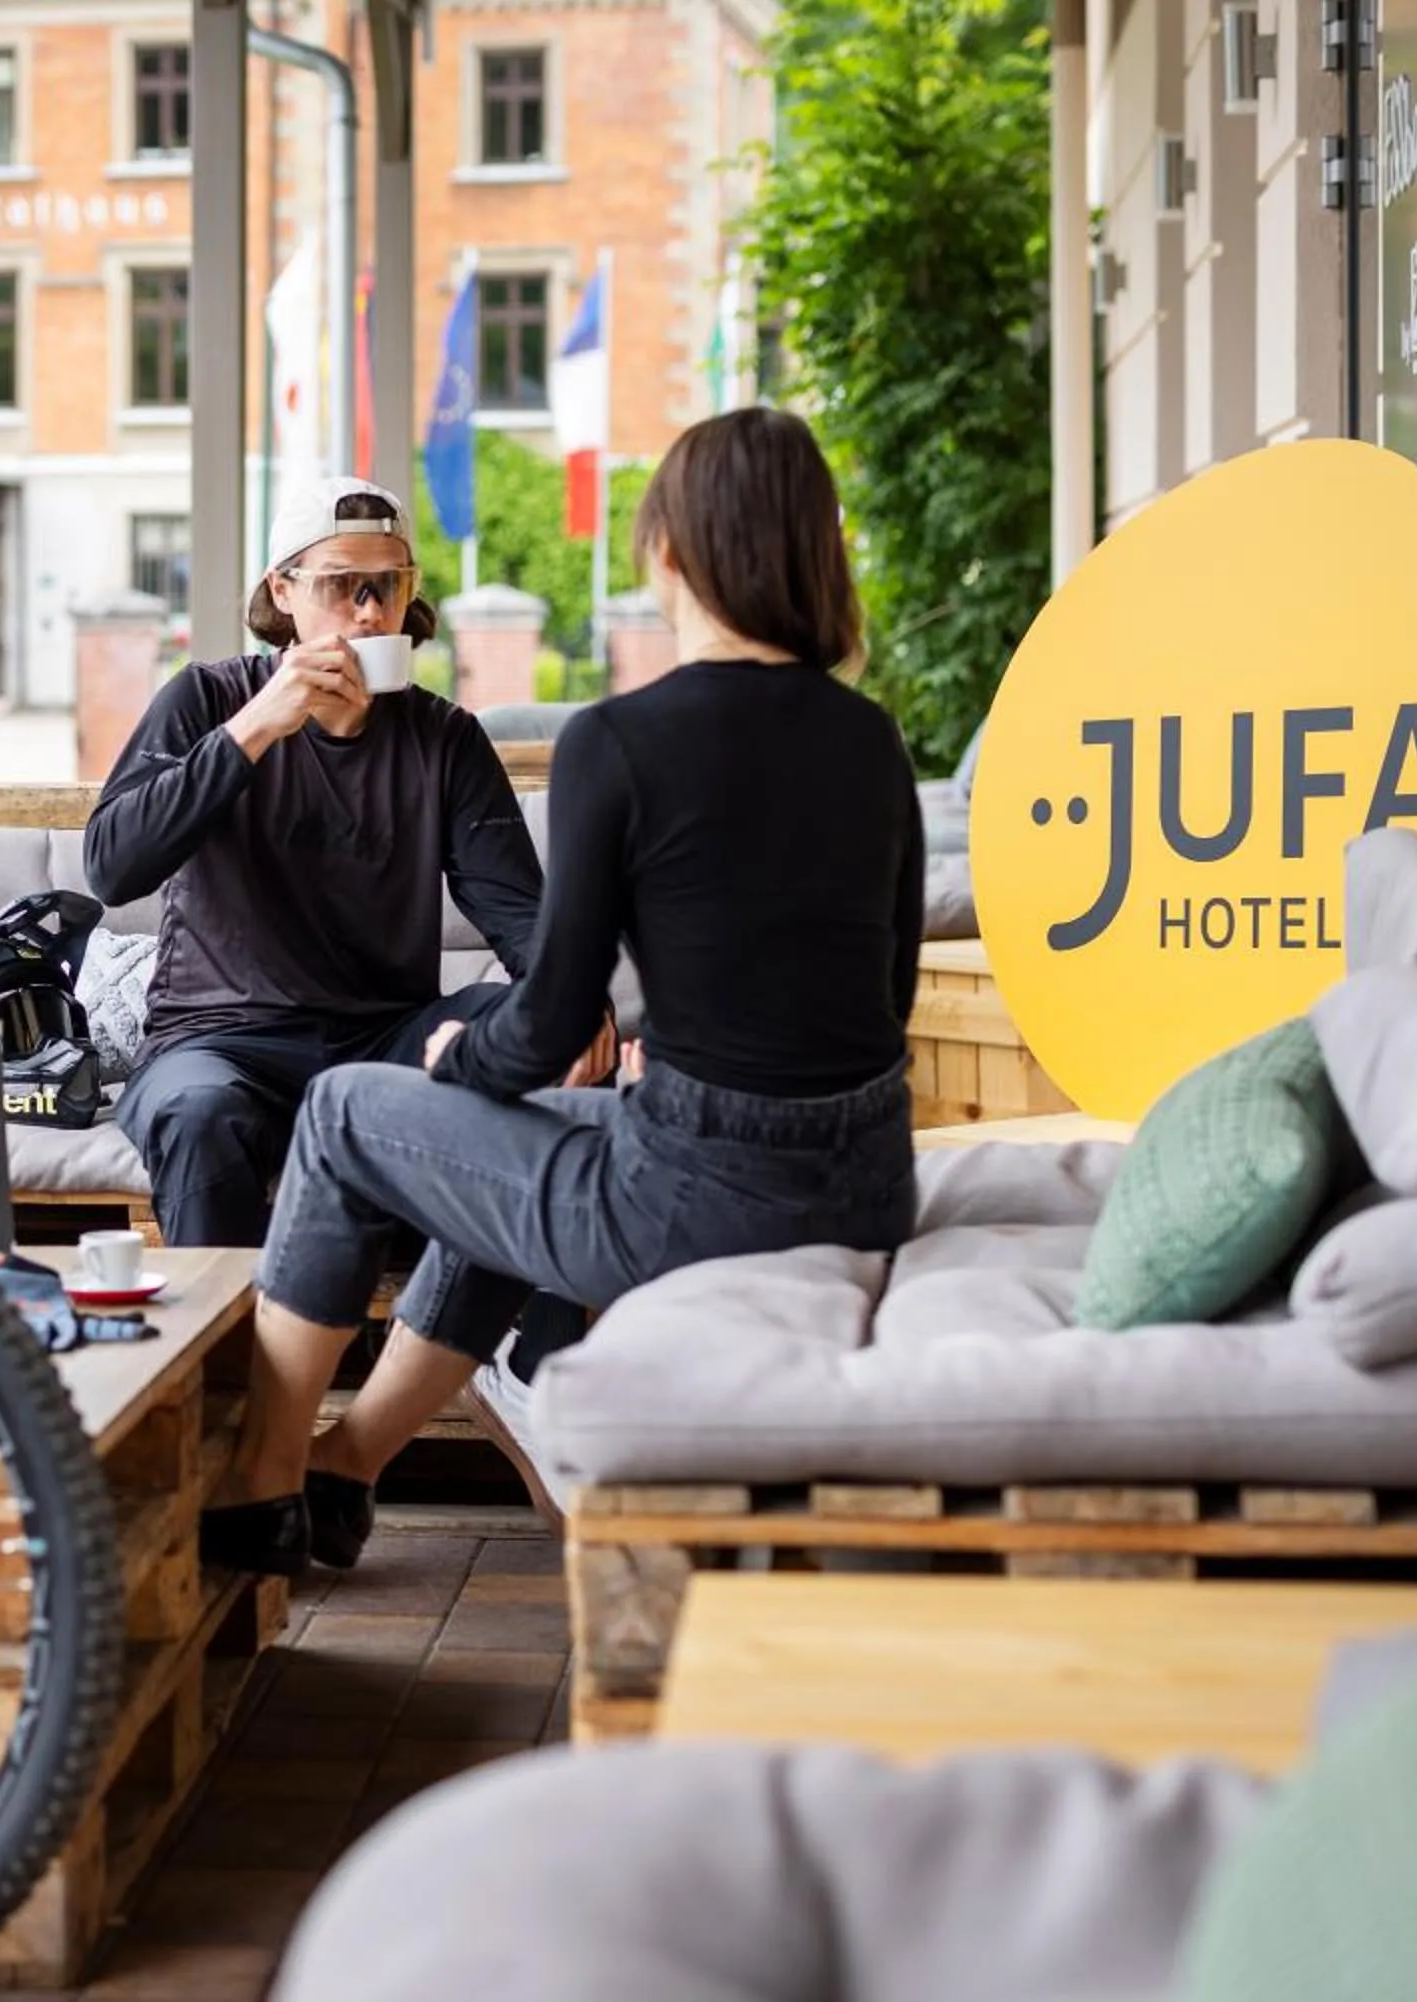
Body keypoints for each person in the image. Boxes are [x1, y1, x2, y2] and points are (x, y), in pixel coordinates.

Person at [200, 407, 928, 1577]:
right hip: (862, 1180)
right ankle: (347, 1467)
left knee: (344, 1110)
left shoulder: (622, 741)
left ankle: (258, 1486)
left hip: (697, 1195)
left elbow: (545, 1017)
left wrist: (460, 1064)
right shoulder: (873, 741)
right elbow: (884, 999)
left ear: (675, 557)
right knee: (528, 1141)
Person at [86, 475, 619, 1561]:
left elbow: (521, 920)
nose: (369, 615)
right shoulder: (205, 701)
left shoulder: (440, 738)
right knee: (198, 1116)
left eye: (388, 589)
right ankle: (236, 1441)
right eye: (341, 588)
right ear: (284, 595)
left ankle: (521, 1362)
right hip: (215, 1035)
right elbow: (111, 863)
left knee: (536, 1053)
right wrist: (255, 729)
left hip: (379, 1033)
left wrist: (574, 1008)